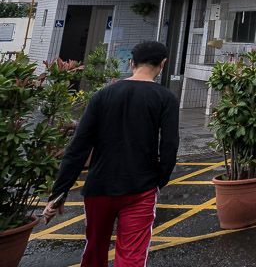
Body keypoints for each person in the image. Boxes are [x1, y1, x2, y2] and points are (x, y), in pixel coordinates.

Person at [42, 40, 180, 267]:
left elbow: (78, 147)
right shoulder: (166, 99)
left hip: (99, 187)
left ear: (131, 63)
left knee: (94, 250)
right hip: (141, 188)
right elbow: (169, 146)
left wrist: (60, 192)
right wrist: (158, 182)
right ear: (162, 64)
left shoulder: (102, 95)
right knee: (132, 257)